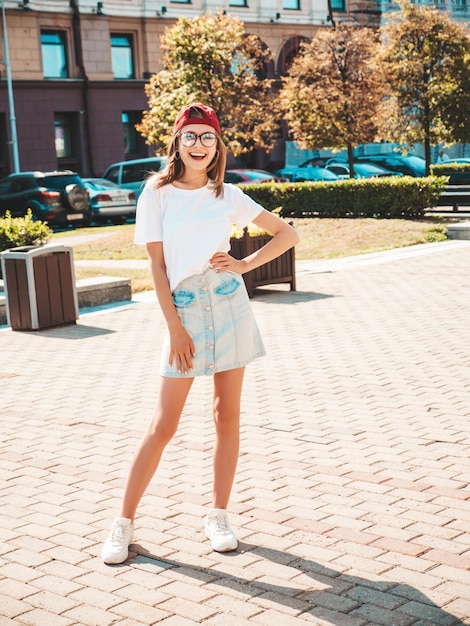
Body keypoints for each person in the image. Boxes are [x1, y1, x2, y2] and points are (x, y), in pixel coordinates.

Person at [101, 103, 299, 564]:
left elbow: (286, 233)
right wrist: (174, 328)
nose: (198, 145)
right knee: (163, 425)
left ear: (217, 146)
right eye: (190, 136)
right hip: (184, 310)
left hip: (229, 304)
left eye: (206, 137)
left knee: (226, 417)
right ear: (177, 142)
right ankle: (123, 524)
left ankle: (218, 515)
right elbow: (156, 263)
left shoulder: (226, 194)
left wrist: (245, 264)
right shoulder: (157, 193)